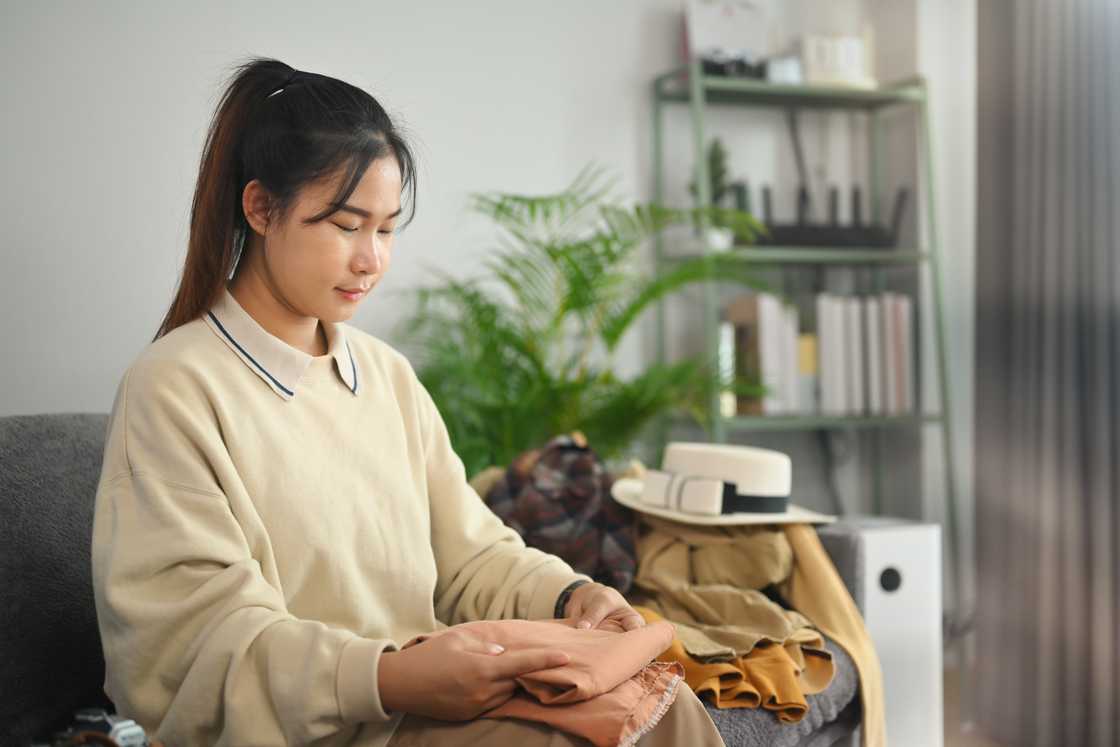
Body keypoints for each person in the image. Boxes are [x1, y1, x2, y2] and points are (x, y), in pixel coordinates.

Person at [90, 56, 726, 747]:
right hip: (327, 730)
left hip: (419, 710)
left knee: (664, 708)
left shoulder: (385, 375)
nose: (372, 259)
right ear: (261, 208)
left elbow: (469, 554)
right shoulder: (174, 389)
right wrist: (388, 677)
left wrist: (572, 595)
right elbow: (197, 645)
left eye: (387, 228)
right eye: (346, 225)